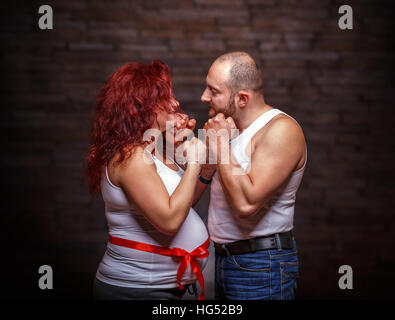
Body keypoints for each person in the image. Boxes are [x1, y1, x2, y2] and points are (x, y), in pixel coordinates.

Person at [86, 60, 212, 300]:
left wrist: (202, 171)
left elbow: (180, 206)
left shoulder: (149, 149)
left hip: (159, 288)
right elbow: (169, 220)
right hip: (136, 290)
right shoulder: (131, 157)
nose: (175, 103)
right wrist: (194, 162)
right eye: (166, 98)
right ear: (144, 107)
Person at [201, 52, 307, 300]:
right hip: (226, 260)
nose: (204, 97)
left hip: (261, 265)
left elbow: (246, 204)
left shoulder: (281, 130)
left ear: (242, 98)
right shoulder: (231, 130)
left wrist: (219, 145)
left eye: (213, 90)